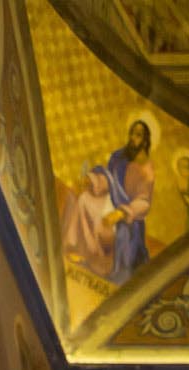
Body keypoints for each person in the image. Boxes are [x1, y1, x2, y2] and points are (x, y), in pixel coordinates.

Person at [61, 119, 155, 285]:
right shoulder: (120, 156)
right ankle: (79, 250)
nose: (133, 138)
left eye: (138, 135)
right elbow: (109, 179)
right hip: (111, 198)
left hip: (127, 214)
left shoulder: (146, 170)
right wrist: (91, 181)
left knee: (110, 228)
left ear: (145, 140)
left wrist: (121, 212)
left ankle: (102, 263)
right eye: (132, 133)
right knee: (84, 199)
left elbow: (144, 202)